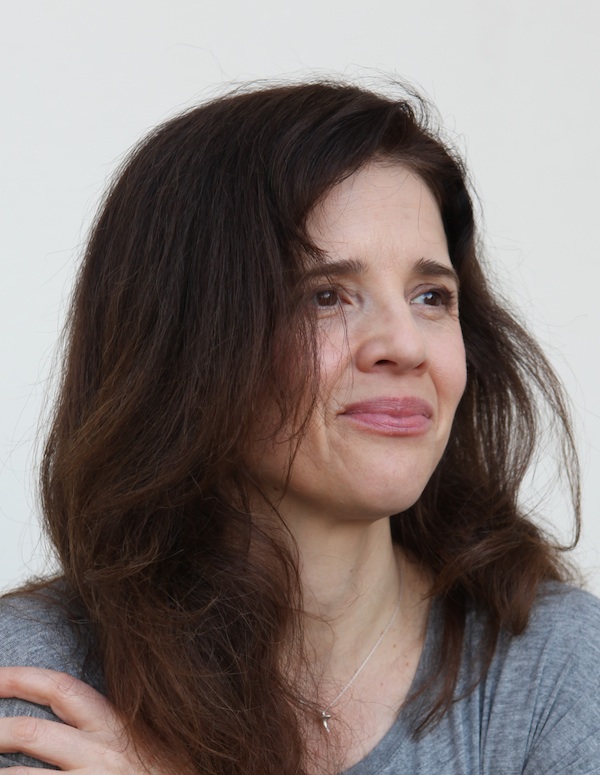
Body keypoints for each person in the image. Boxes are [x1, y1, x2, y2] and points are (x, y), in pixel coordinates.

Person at [0, 79, 598, 775]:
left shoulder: (558, 666)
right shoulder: (40, 674)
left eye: (432, 296)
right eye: (327, 296)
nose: (405, 345)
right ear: (189, 345)